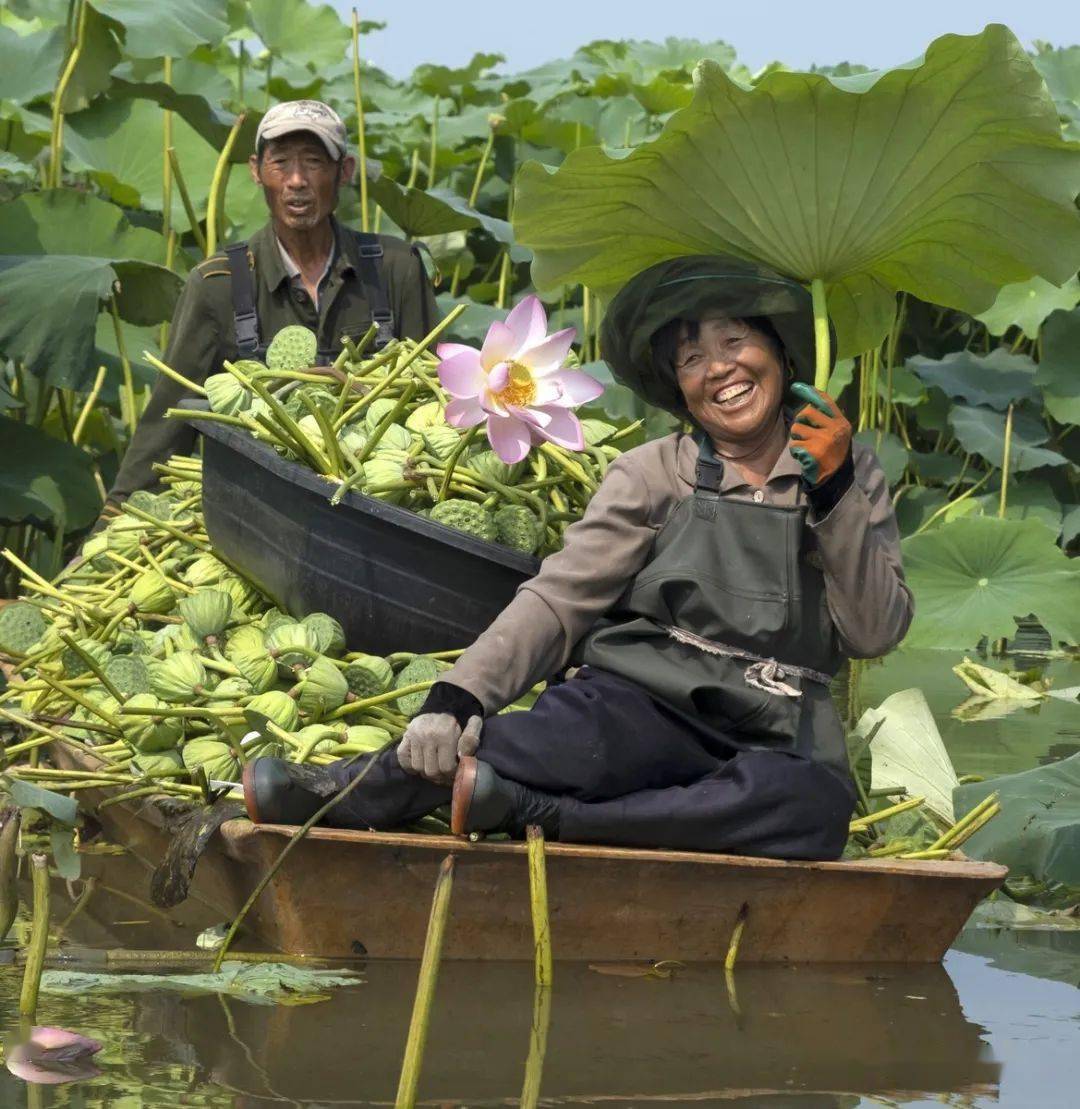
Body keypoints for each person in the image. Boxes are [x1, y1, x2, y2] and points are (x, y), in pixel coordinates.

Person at [243, 255, 914, 860]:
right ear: (678, 388)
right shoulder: (655, 472)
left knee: (813, 811)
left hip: (773, 731)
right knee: (549, 742)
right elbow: (559, 598)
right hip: (644, 707)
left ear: (779, 352)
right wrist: (457, 696)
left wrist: (833, 495)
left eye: (735, 341)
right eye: (691, 359)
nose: (718, 369)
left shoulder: (847, 471)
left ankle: (548, 816)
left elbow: (873, 631)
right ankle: (348, 790)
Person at [104, 99, 439, 512]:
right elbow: (165, 427)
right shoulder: (218, 285)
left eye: (314, 162)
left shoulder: (396, 270)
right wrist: (113, 518)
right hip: (260, 512)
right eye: (280, 163)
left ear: (344, 171)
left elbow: (437, 408)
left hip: (380, 506)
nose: (296, 180)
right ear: (256, 171)